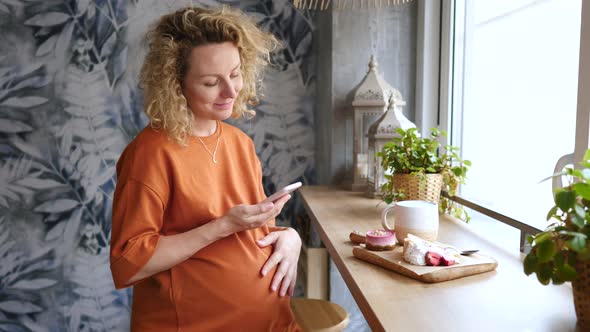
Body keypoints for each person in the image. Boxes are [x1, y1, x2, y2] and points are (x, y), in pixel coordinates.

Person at [109, 5, 302, 331]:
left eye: (236, 74)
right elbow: (128, 264)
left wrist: (289, 237)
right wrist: (220, 226)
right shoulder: (151, 153)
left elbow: (249, 232)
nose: (231, 91)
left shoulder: (239, 142)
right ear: (176, 84)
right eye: (212, 82)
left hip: (272, 322)